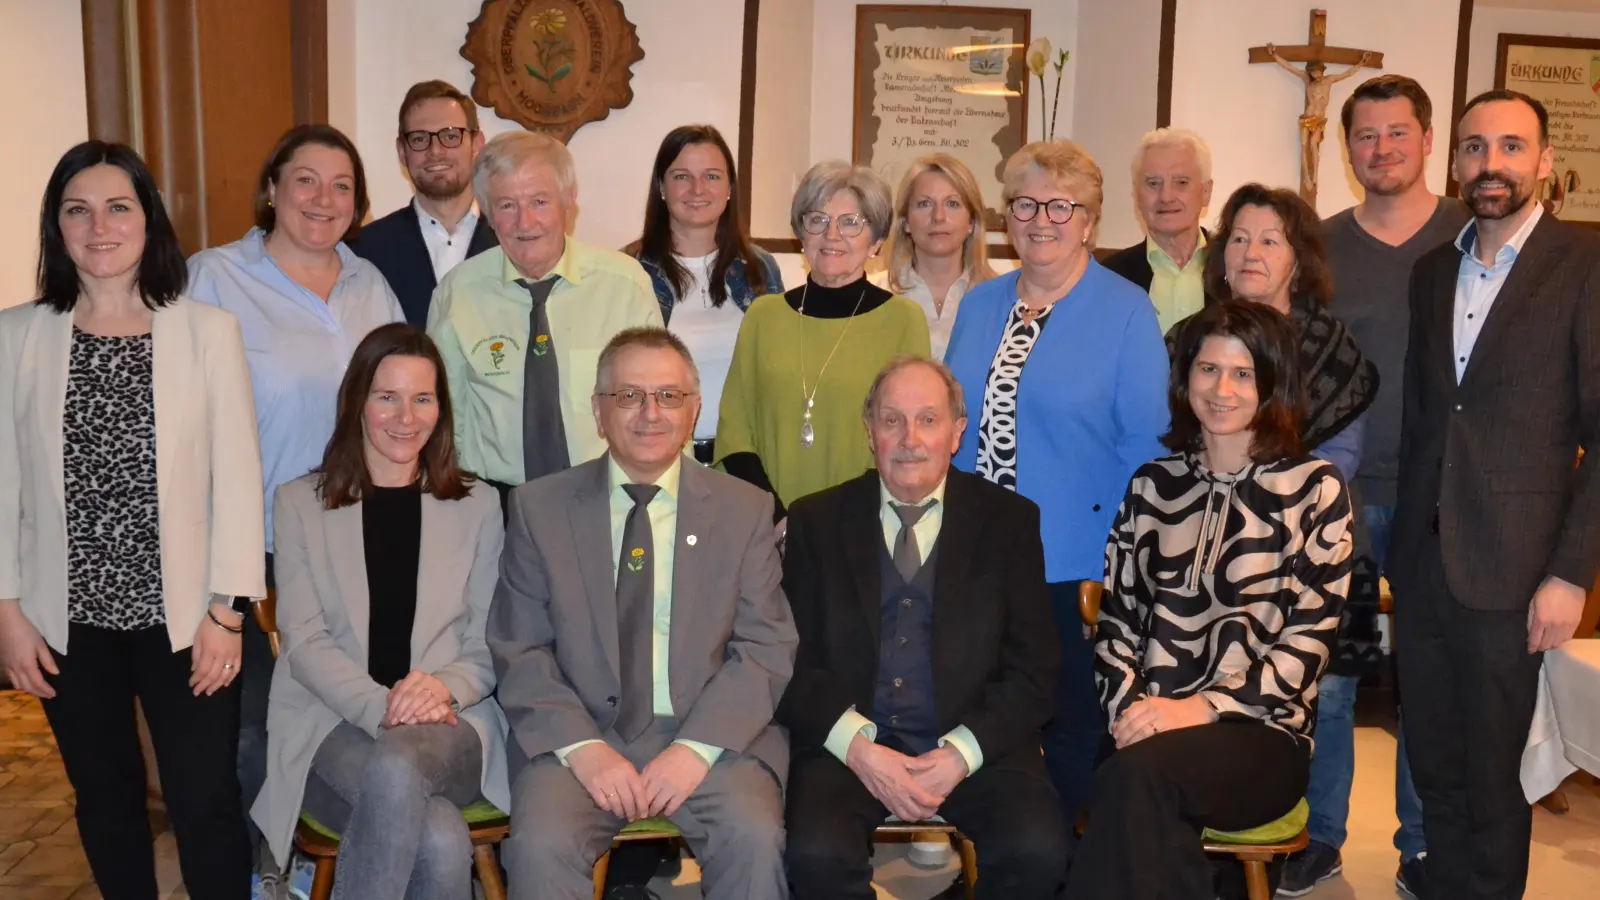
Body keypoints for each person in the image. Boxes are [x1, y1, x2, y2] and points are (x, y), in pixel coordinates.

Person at [0, 141, 265, 899]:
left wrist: (229, 610)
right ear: (57, 227)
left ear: (149, 219)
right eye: (77, 210)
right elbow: (3, 489)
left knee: (205, 802)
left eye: (119, 206)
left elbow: (238, 482)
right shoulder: (15, 337)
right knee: (106, 801)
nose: (100, 226)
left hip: (186, 621)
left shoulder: (207, 331)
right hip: (66, 620)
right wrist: (8, 612)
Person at [488, 327, 796, 900]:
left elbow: (764, 648)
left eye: (669, 396)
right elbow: (520, 647)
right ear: (598, 413)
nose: (650, 413)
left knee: (753, 837)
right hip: (580, 737)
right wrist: (585, 750)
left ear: (693, 409)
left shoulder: (744, 509)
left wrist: (694, 750)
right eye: (629, 396)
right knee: (538, 846)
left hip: (712, 738)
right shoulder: (539, 507)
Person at [1066, 301, 1352, 899]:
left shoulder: (1316, 488)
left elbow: (1309, 646)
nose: (1221, 389)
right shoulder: (1153, 483)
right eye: (1207, 369)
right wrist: (1130, 708)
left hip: (1262, 735)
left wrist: (1199, 709)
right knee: (1139, 790)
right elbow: (1117, 625)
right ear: (1184, 378)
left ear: (1274, 383)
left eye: (1244, 374)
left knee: (1132, 785)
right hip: (1146, 725)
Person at [1392, 89, 1600, 900]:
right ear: (1455, 162)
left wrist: (1570, 573)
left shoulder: (1584, 266)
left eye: (1513, 148)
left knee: (1495, 770)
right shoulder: (1432, 270)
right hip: (1426, 562)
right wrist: (1401, 552)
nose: (1492, 165)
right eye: (1476, 148)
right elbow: (1424, 417)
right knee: (1434, 758)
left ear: (1544, 163)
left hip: (1518, 570)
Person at [187, 123, 404, 891]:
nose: (322, 198)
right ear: (271, 189)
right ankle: (258, 878)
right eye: (304, 180)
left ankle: (328, 872)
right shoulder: (213, 278)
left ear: (359, 202)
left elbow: (396, 406)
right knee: (248, 734)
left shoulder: (369, 284)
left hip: (352, 546)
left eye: (341, 184)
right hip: (245, 551)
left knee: (334, 718)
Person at [1279, 74, 1469, 900]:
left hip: (1443, 499)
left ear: (1428, 140)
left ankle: (1421, 847)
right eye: (1366, 135)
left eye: (1398, 132)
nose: (1382, 148)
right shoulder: (1317, 247)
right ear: (1347, 147)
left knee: (1428, 681)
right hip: (1337, 500)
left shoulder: (1473, 234)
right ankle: (1317, 836)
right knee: (1328, 681)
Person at [780, 356, 1069, 899]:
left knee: (1037, 850)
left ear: (958, 433)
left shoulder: (1009, 521)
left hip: (976, 744)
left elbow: (1036, 669)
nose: (909, 438)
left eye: (928, 420)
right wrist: (859, 747)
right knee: (813, 854)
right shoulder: (815, 521)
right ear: (870, 432)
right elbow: (790, 664)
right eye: (892, 420)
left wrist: (962, 752)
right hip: (852, 747)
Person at [943, 140, 1169, 833]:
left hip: (1079, 563)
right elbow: (951, 424)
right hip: (982, 559)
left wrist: (1118, 564)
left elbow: (1146, 449)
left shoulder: (1127, 311)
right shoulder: (980, 305)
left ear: (1090, 221)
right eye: (1025, 204)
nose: (1042, 219)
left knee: (1074, 725)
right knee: (984, 720)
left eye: (1061, 206)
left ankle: (1066, 870)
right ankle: (1002, 863)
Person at [253, 324, 510, 900]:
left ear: (440, 409)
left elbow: (490, 636)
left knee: (397, 767)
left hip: (452, 724)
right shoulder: (299, 503)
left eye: (422, 398)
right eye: (386, 396)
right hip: (330, 724)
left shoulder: (479, 505)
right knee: (441, 837)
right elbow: (306, 641)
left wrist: (440, 690)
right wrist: (385, 709)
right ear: (357, 402)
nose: (405, 416)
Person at [428, 131, 661, 502]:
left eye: (539, 201)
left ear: (569, 202)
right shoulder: (457, 294)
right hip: (495, 505)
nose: (525, 221)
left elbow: (660, 407)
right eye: (506, 205)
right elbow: (444, 420)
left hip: (607, 499)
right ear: (486, 212)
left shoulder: (624, 285)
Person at [716, 161, 931, 525]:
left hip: (861, 527)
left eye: (851, 223)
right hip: (764, 527)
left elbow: (907, 438)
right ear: (802, 232)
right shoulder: (762, 317)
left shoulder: (903, 321)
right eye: (817, 219)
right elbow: (735, 434)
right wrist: (776, 520)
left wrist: (832, 530)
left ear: (877, 241)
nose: (832, 235)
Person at [1182, 183, 1377, 484]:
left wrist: (1271, 498)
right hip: (1196, 501)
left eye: (1269, 242)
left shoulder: (1330, 347)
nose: (1251, 253)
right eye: (1239, 239)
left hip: (1299, 512)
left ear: (1298, 262)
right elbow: (1163, 431)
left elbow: (1340, 454)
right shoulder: (1187, 338)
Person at [625, 124, 783, 464]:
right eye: (682, 176)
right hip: (660, 461)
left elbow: (780, 371)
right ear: (661, 187)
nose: (697, 189)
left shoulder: (760, 268)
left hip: (746, 462)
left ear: (729, 189)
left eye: (712, 176)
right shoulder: (626, 271)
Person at [350, 80, 498, 327]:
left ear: (477, 144)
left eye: (451, 136)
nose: (436, 151)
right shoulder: (365, 251)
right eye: (419, 139)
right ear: (401, 152)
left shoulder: (511, 240)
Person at [876, 154, 997, 359]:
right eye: (924, 204)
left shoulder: (998, 298)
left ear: (971, 222)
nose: (938, 217)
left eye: (952, 204)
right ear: (905, 221)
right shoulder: (875, 296)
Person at [1102, 128, 1215, 334]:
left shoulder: (1232, 267)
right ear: (1136, 195)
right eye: (1153, 183)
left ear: (1206, 192)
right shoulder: (1109, 277)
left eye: (1181, 182)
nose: (1166, 196)